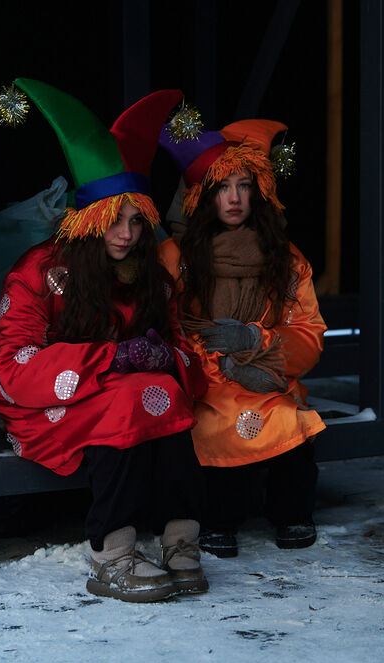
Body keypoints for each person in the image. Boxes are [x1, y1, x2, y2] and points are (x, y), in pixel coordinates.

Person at [0, 79, 208, 602]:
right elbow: (12, 366)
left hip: (119, 399)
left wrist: (169, 358)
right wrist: (115, 357)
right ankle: (110, 556)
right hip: (41, 404)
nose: (127, 234)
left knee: (166, 391)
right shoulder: (38, 270)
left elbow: (188, 354)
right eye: (113, 220)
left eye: (136, 220)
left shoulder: (152, 273)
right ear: (86, 219)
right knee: (133, 396)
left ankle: (180, 538)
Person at [157, 119, 327, 558]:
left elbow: (308, 329)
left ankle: (291, 513)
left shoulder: (286, 259)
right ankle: (218, 521)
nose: (234, 198)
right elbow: (162, 326)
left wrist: (257, 342)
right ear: (203, 195)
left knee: (288, 418)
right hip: (206, 380)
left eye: (244, 185)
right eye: (222, 187)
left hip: (266, 373)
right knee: (213, 423)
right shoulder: (176, 258)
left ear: (260, 192)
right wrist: (215, 363)